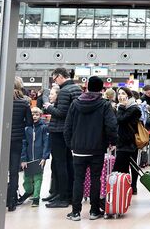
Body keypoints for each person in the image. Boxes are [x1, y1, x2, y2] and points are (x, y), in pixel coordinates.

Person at [63, 76, 118, 221]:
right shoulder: (105, 105)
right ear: (102, 88)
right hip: (97, 149)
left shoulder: (75, 103)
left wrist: (71, 144)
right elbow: (111, 126)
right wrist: (112, 141)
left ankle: (75, 212)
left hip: (79, 149)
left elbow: (67, 127)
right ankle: (94, 211)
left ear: (87, 86)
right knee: (96, 179)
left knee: (78, 180)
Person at [44, 68, 82, 208]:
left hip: (59, 131)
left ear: (60, 76)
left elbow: (62, 113)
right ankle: (68, 194)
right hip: (70, 131)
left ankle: (63, 197)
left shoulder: (65, 91)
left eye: (54, 79)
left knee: (61, 164)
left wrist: (49, 107)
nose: (55, 82)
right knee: (68, 163)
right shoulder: (77, 88)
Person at [7, 77, 32, 211]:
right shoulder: (24, 103)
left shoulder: (2, 101)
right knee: (14, 171)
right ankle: (12, 201)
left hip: (2, 140)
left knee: (0, 170)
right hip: (17, 140)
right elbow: (29, 123)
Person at [19, 107, 50, 207]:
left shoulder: (43, 127)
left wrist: (44, 157)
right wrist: (23, 159)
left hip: (39, 158)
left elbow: (46, 142)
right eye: (32, 114)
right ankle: (29, 191)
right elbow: (23, 143)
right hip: (27, 158)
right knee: (26, 178)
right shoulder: (26, 128)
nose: (34, 116)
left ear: (40, 115)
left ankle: (36, 197)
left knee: (38, 178)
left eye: (37, 114)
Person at [114, 87, 142, 195]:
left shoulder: (134, 108)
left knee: (128, 166)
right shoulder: (125, 107)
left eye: (123, 93)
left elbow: (120, 120)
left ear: (128, 95)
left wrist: (121, 107)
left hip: (129, 142)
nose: (120, 96)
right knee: (125, 166)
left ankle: (132, 186)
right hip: (123, 141)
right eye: (119, 94)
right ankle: (127, 187)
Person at [41, 85, 59, 203]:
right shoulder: (54, 107)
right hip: (53, 136)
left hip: (59, 138)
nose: (49, 96)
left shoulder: (56, 108)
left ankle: (57, 192)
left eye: (52, 94)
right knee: (54, 166)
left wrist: (50, 108)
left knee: (57, 165)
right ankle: (53, 191)